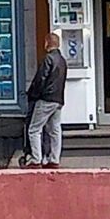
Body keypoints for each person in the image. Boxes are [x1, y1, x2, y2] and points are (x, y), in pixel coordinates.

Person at [26, 33, 68, 168]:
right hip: (58, 99)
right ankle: (54, 159)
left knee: (34, 129)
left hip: (46, 99)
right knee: (55, 129)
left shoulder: (48, 59)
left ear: (47, 43)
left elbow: (40, 79)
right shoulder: (62, 60)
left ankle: (36, 159)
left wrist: (33, 94)